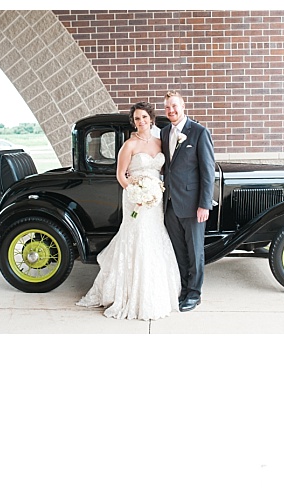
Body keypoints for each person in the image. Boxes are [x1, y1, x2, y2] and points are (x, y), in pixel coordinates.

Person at [77, 102, 180, 320]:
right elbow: (121, 175)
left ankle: (156, 292)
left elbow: (164, 170)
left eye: (144, 117)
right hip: (136, 199)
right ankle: (130, 294)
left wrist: (153, 192)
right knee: (138, 238)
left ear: (151, 119)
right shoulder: (129, 145)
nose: (141, 122)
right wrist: (136, 193)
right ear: (133, 122)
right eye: (136, 119)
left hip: (155, 200)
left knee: (154, 238)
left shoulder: (160, 143)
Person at [161, 89, 215, 312]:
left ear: (183, 107)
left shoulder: (199, 132)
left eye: (174, 106)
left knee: (195, 251)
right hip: (170, 203)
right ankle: (183, 288)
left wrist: (205, 204)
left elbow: (208, 171)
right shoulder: (164, 133)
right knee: (178, 250)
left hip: (193, 205)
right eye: (167, 107)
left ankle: (194, 293)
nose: (171, 110)